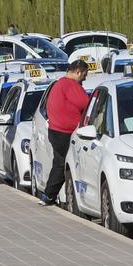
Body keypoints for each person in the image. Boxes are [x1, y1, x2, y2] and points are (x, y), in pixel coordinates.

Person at [39, 60, 90, 206]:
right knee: (63, 165)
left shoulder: (60, 83)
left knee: (59, 163)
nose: (85, 78)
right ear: (78, 72)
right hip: (64, 134)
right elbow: (86, 104)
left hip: (57, 131)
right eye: (85, 74)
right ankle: (49, 196)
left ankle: (49, 195)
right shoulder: (70, 85)